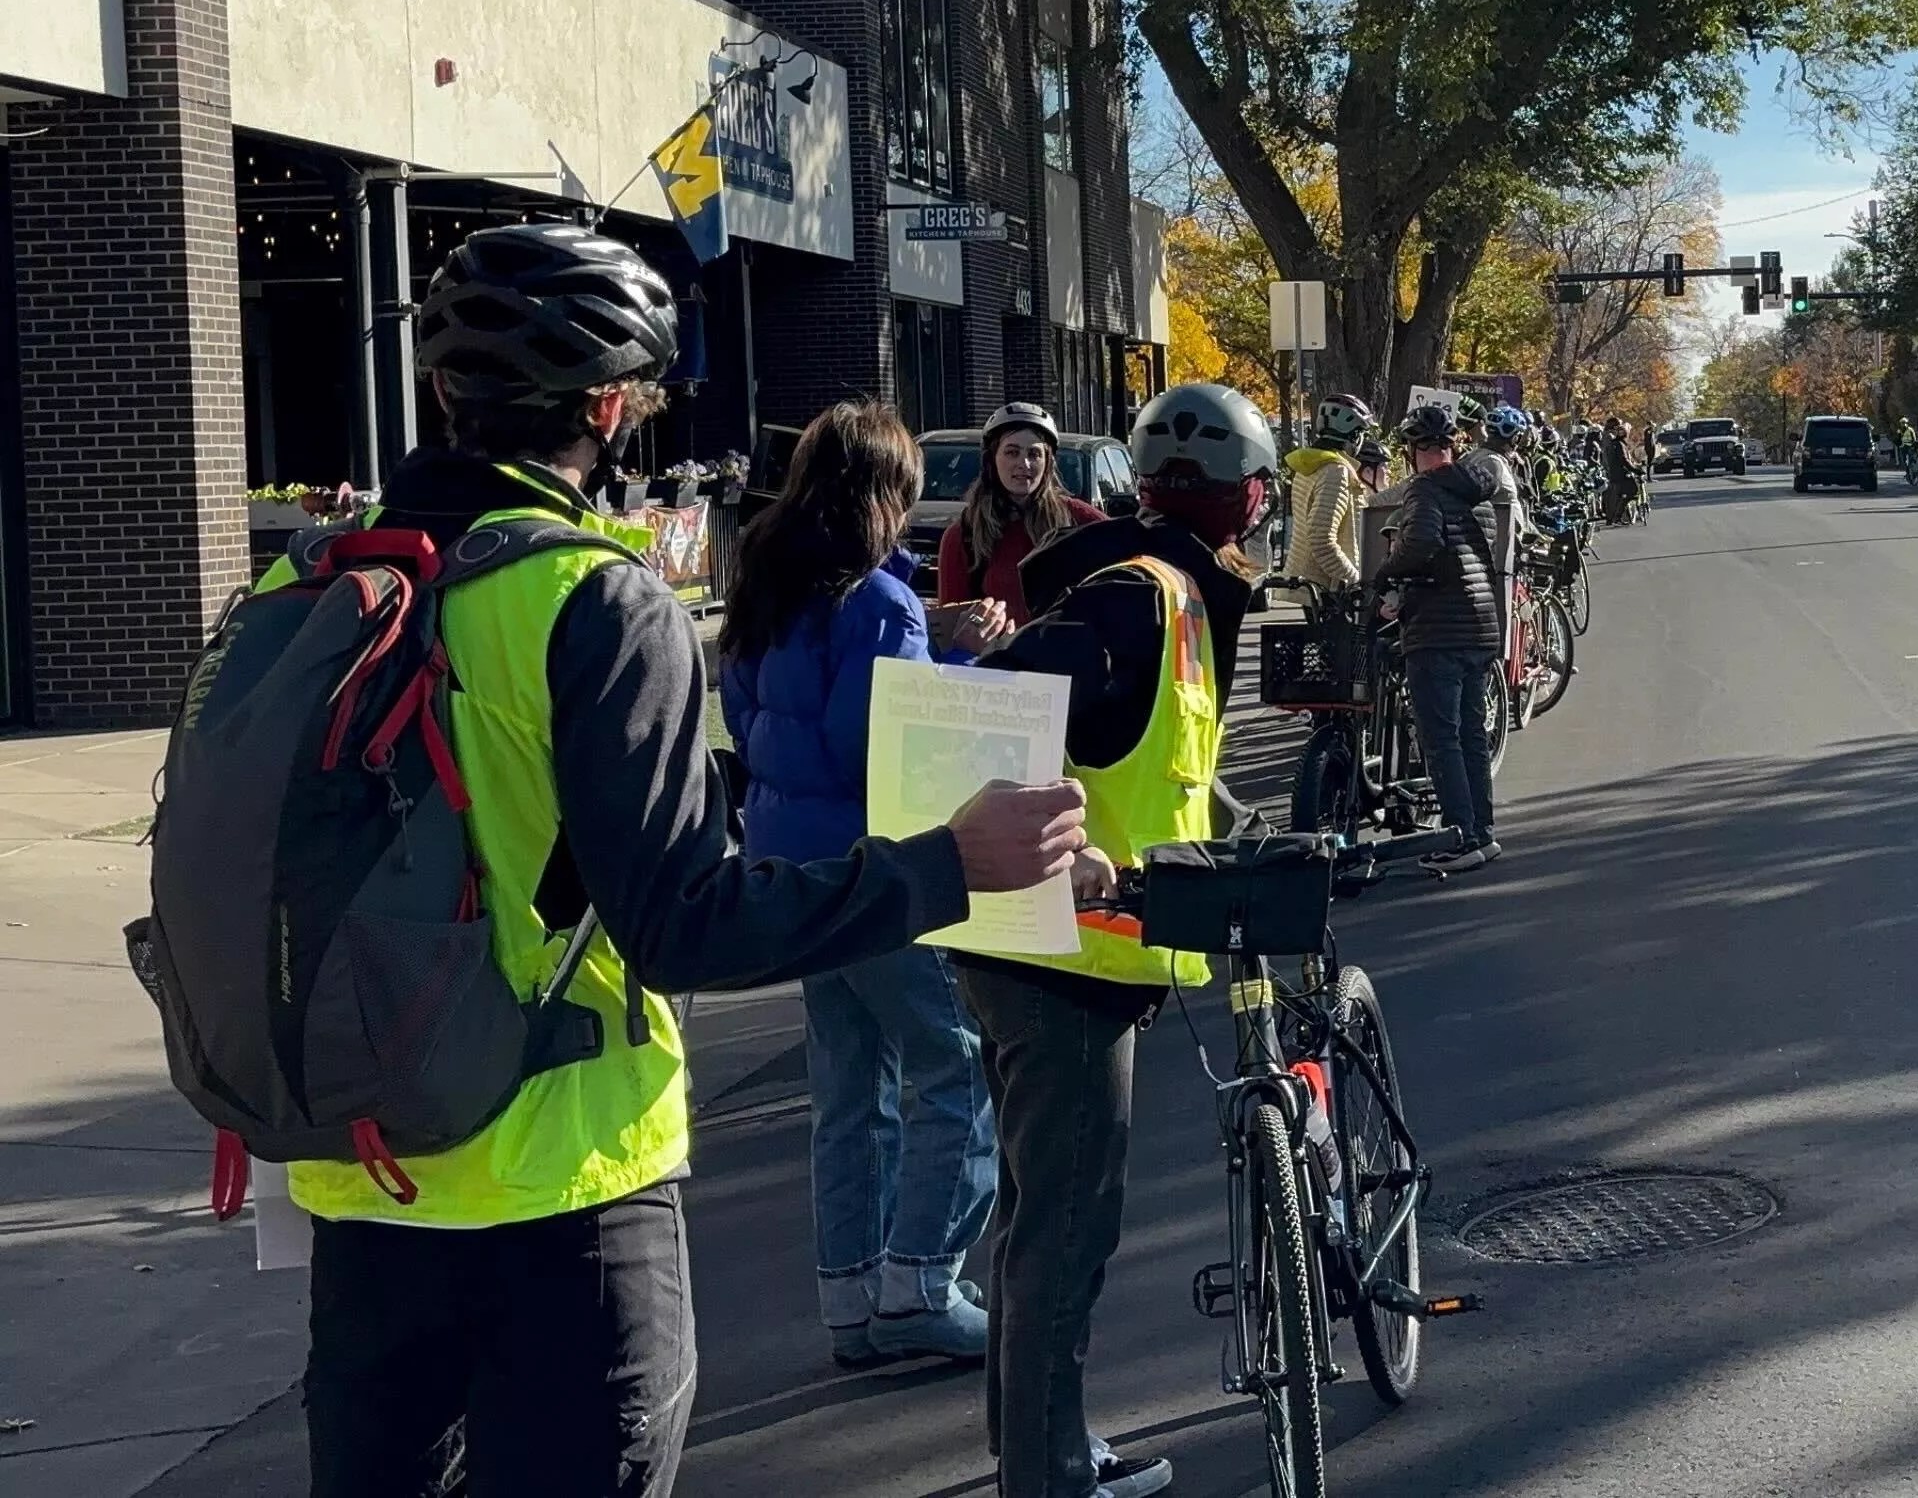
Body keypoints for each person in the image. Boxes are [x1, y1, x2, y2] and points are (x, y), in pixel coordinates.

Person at [289, 223, 1091, 1498]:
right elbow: (687, 925)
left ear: (444, 392)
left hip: (364, 1178)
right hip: (560, 1185)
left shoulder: (322, 579)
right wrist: (949, 864)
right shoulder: (590, 600)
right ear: (612, 407)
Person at [954, 381, 1281, 1498]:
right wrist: (1065, 845)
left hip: (1047, 951)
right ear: (1241, 498)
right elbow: (994, 705)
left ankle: (1029, 1445)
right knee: (1065, 1229)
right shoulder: (1142, 598)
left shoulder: (1164, 595)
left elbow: (1141, 758)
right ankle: (1047, 1474)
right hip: (1067, 959)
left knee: (1033, 1212)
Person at [718, 400, 1009, 1370]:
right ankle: (921, 1279)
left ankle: (850, 1295)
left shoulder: (767, 582)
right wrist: (956, 648)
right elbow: (882, 740)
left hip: (786, 860)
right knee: (954, 1067)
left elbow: (751, 713)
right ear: (884, 493)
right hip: (872, 861)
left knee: (848, 1086)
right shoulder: (879, 603)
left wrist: (934, 628)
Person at [1370, 403, 1508, 866]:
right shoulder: (1480, 493)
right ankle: (1482, 831)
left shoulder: (1424, 489)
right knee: (1471, 733)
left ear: (1413, 451)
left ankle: (1459, 839)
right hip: (1480, 625)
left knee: (1441, 736)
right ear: (1454, 446)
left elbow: (1423, 544)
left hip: (1438, 629)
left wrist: (1384, 574)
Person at [938, 401, 1106, 620]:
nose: (1024, 464)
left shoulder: (1078, 520)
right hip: (997, 653)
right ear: (991, 459)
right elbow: (950, 629)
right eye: (1012, 452)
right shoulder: (964, 535)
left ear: (1048, 463)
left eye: (1034, 454)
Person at [1277, 391, 1375, 591]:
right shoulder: (1335, 471)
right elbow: (1321, 540)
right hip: (1329, 587)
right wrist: (1355, 580)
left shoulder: (1310, 465)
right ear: (1354, 436)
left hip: (1307, 579)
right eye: (1362, 433)